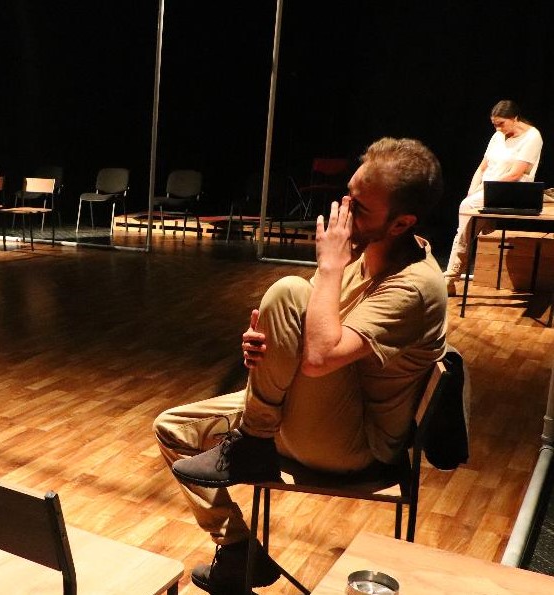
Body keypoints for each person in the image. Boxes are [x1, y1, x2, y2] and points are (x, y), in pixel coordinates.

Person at [154, 138, 447, 595]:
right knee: (172, 429)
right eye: (347, 196)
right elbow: (306, 331)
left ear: (401, 223)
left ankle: (253, 440)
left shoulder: (415, 285)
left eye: (359, 208)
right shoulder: (363, 253)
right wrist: (267, 343)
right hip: (311, 411)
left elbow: (318, 356)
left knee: (291, 289)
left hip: (356, 446)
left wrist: (329, 267)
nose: (343, 214)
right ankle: (238, 550)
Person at [443, 100, 543, 295]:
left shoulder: (532, 136)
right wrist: (472, 192)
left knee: (465, 222)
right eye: (494, 124)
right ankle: (454, 274)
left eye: (501, 124)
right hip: (487, 191)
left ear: (515, 118)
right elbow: (483, 167)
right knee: (466, 212)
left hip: (510, 191)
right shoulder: (498, 136)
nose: (497, 128)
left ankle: (451, 276)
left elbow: (515, 174)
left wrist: (485, 192)